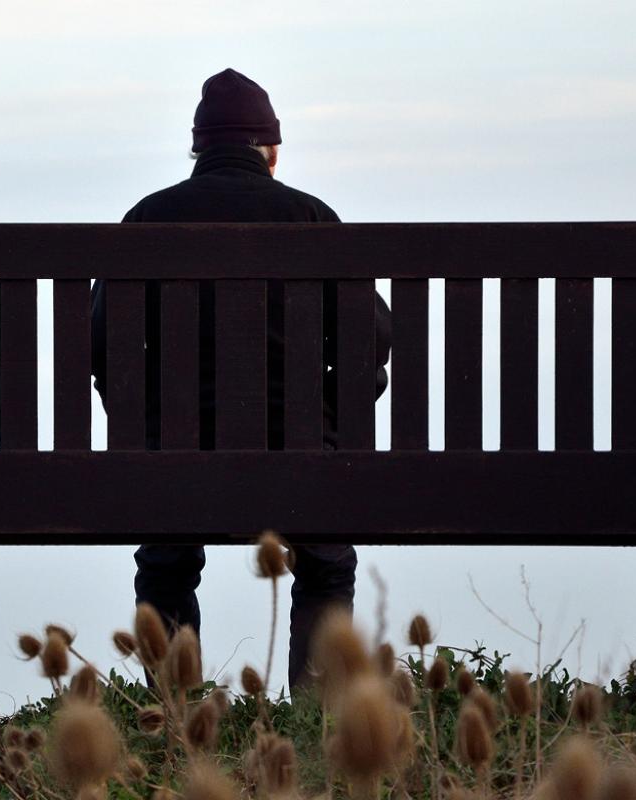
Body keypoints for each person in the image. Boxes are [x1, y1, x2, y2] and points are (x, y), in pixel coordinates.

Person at [90, 68, 391, 688]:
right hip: (304, 454)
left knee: (166, 565)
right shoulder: (313, 219)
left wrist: (147, 431)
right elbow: (374, 343)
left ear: (198, 149)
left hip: (174, 461)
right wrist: (331, 421)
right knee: (327, 566)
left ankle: (177, 716)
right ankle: (319, 719)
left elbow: (102, 351)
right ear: (271, 151)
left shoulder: (146, 220)